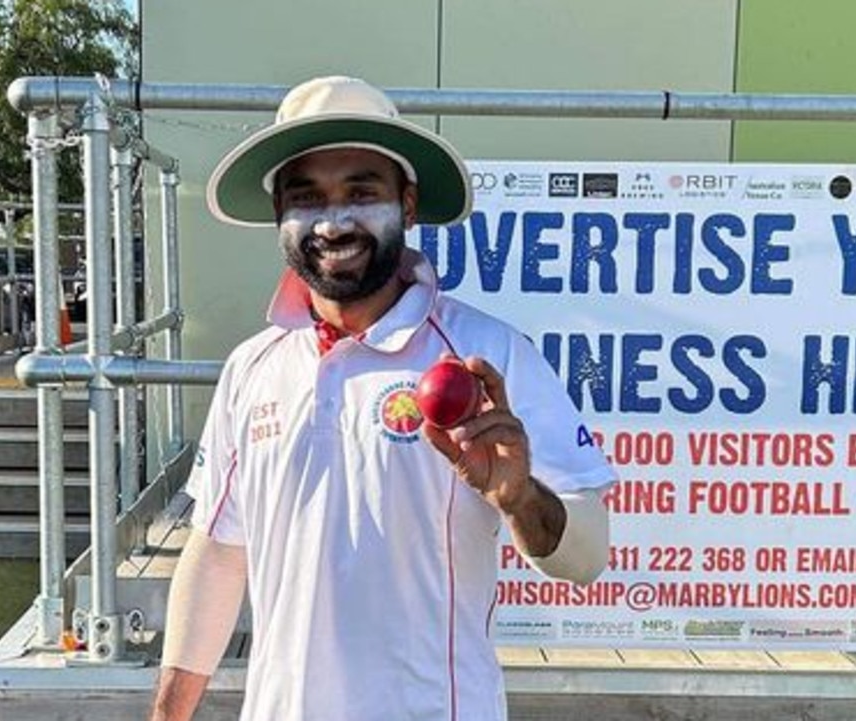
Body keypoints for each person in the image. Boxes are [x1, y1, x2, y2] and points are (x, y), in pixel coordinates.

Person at [148, 75, 616, 721]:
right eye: (306, 197)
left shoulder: (487, 357)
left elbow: (587, 557)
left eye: (361, 193)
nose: (334, 221)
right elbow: (221, 553)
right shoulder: (252, 367)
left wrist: (519, 497)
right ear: (279, 215)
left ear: (409, 204)